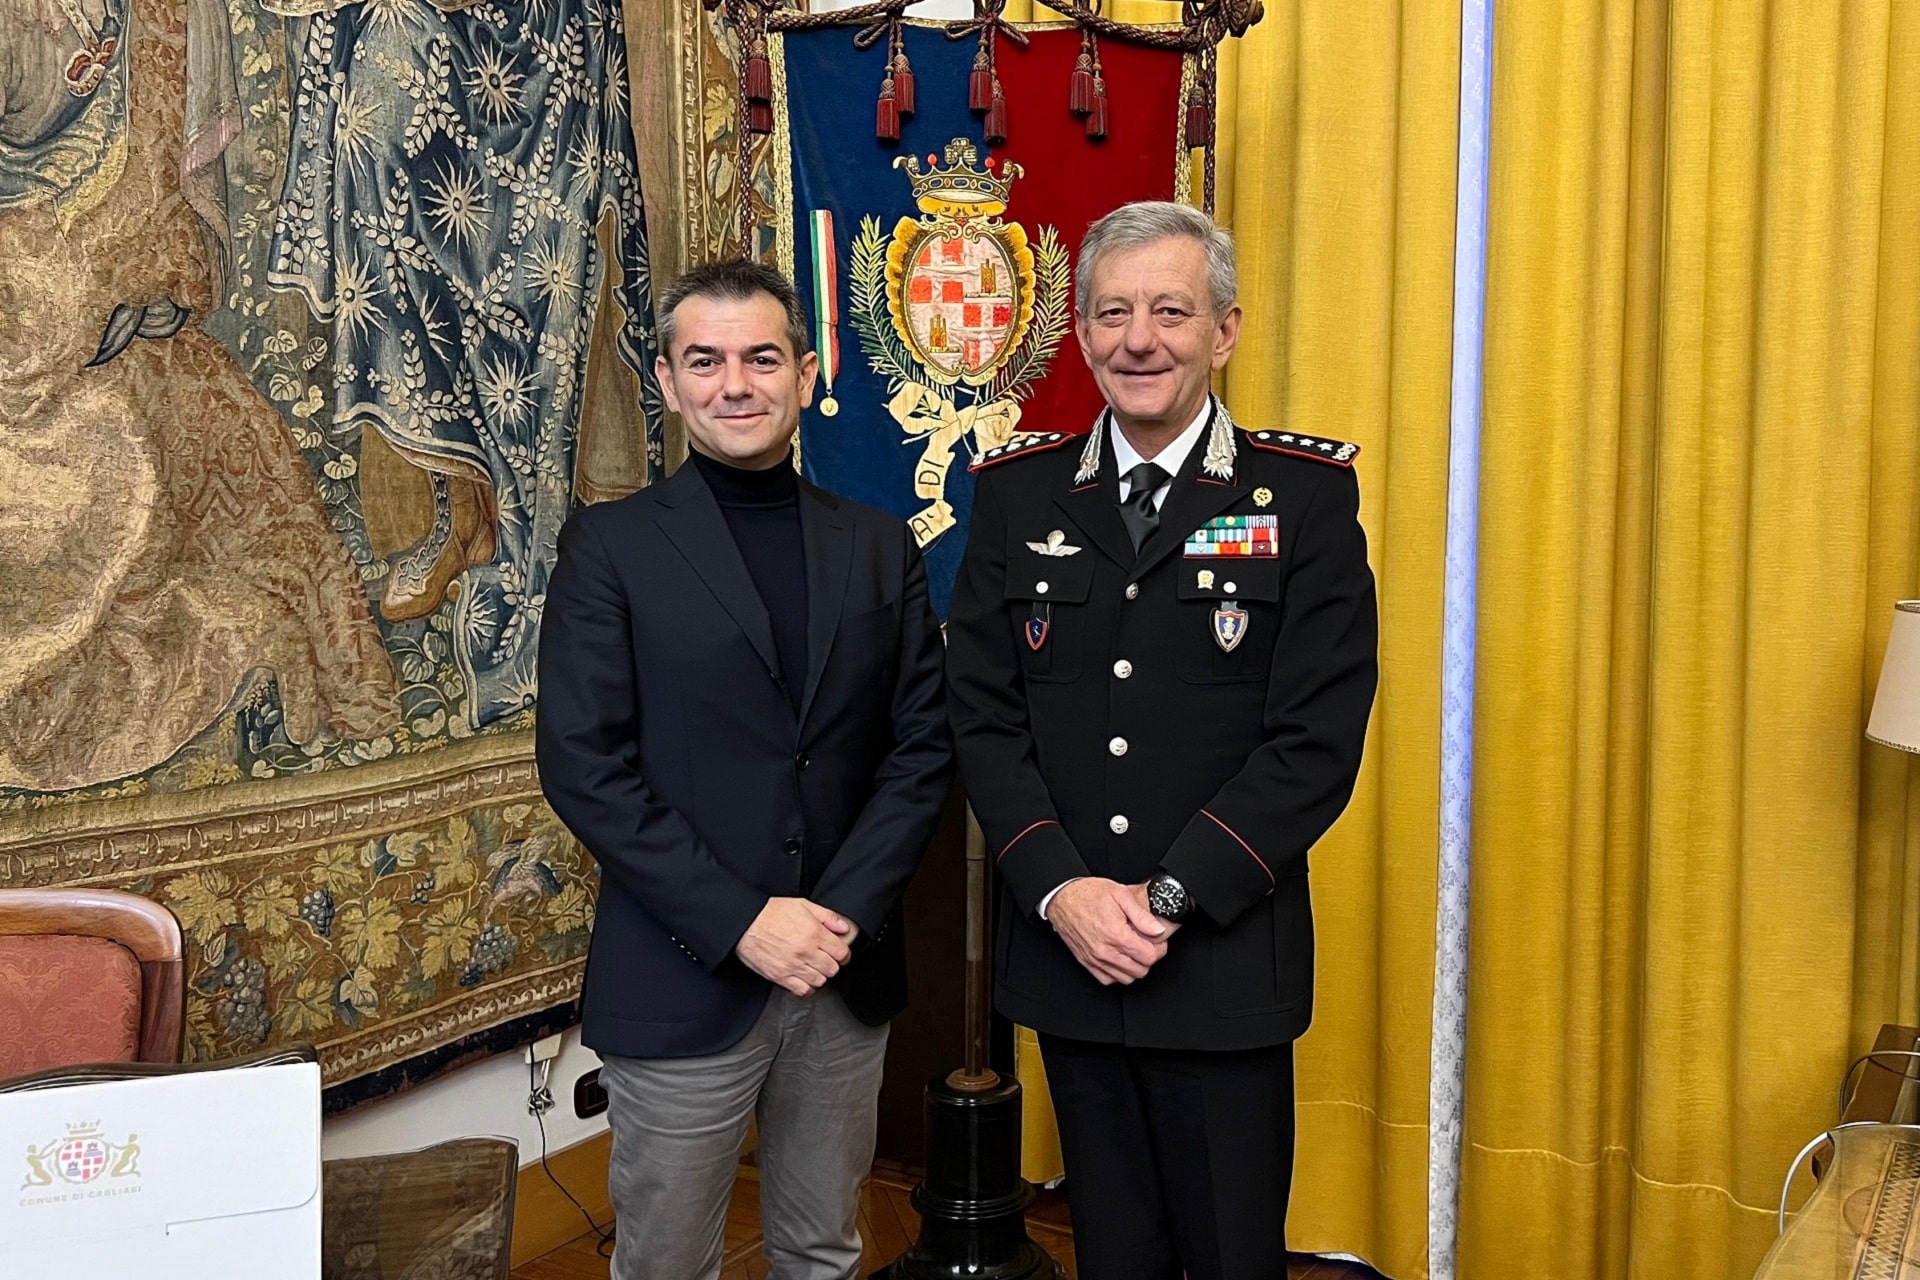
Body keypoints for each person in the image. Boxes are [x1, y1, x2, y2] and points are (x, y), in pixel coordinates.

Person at [945, 201, 1379, 1280]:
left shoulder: (1303, 500)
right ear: (1081, 332)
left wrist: (1170, 896)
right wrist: (1064, 892)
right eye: (1113, 313)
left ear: (1224, 331)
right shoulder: (1017, 495)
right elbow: (984, 717)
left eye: (1171, 312)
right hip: (1071, 952)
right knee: (1114, 1251)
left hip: (1222, 961)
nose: (1139, 340)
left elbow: (1316, 740)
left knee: (1232, 1256)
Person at [537, 260, 953, 1280]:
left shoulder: (879, 545)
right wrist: (744, 920)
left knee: (823, 1248)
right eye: (705, 361)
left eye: (762, 358)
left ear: (805, 375)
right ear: (670, 381)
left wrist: (837, 913)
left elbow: (921, 747)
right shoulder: (609, 547)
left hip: (841, 970)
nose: (735, 384)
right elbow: (585, 764)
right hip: (684, 973)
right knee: (668, 1263)